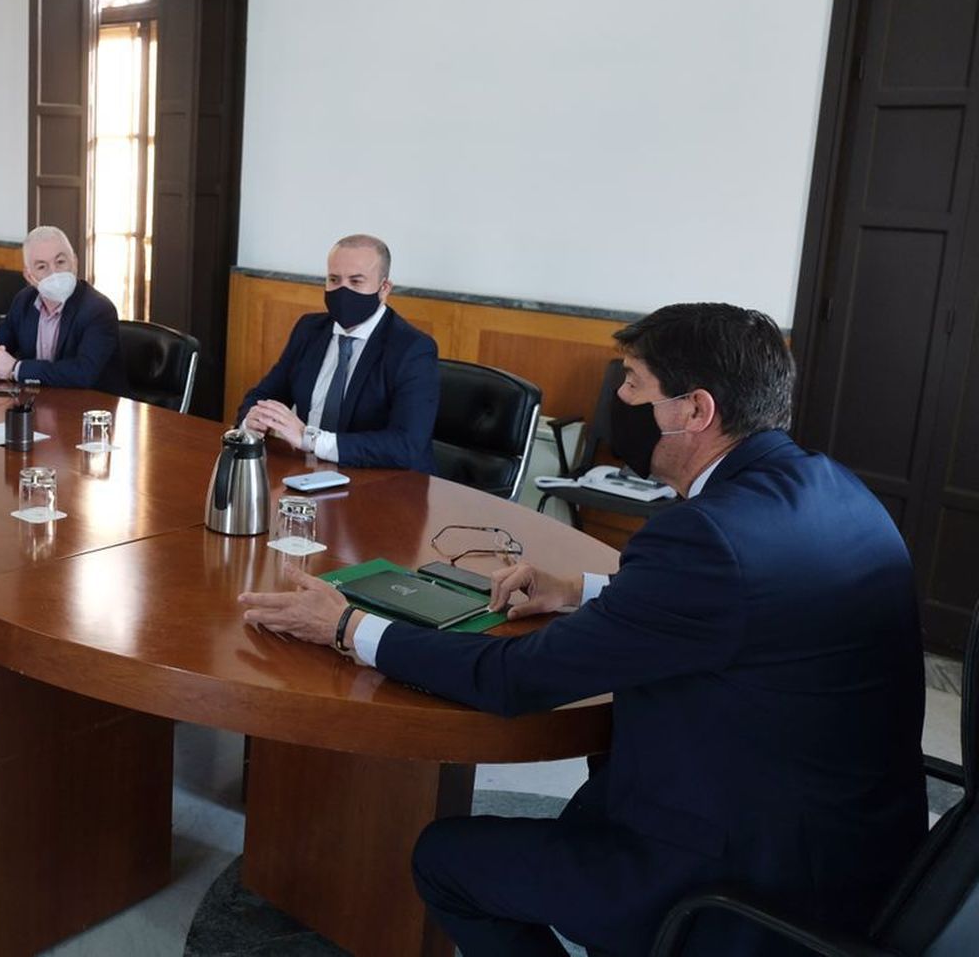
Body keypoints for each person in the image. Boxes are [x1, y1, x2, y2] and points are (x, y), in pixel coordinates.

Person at [238, 303, 927, 957]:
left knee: (445, 859)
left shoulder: (708, 536)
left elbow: (515, 680)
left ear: (696, 409)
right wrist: (583, 590)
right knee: (589, 799)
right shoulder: (834, 488)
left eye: (635, 384)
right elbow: (752, 605)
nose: (620, 402)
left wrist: (349, 626)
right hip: (858, 844)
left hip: (744, 875)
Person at [236, 234, 438, 473]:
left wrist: (310, 439)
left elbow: (407, 445)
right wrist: (253, 419)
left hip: (382, 484)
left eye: (356, 282)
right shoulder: (309, 330)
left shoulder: (412, 349)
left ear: (384, 289)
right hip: (309, 474)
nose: (343, 291)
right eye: (334, 279)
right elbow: (265, 394)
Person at [0, 225, 126, 393]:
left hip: (93, 408)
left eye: (60, 262)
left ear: (75, 263)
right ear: (29, 276)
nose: (54, 273)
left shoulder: (98, 309)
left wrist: (15, 368)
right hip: (43, 403)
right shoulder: (24, 301)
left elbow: (83, 373)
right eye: (42, 267)